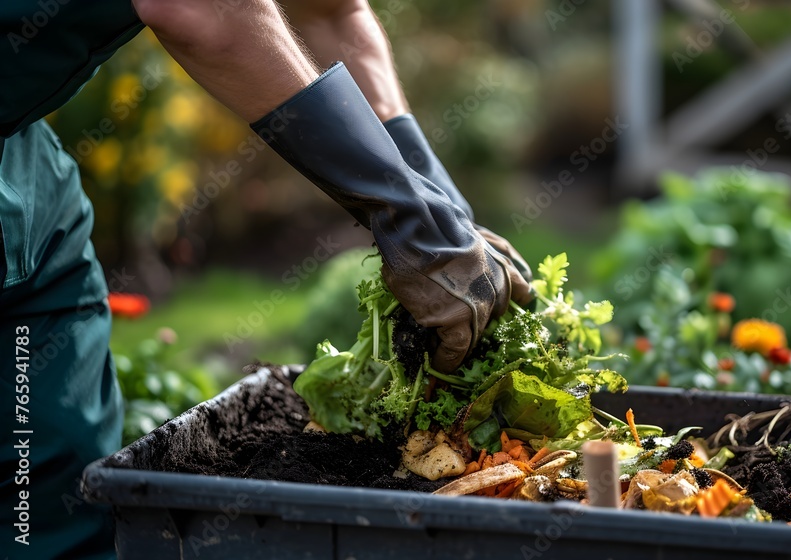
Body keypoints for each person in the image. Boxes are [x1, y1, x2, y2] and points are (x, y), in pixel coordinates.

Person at [0, 1, 532, 557]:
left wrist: (437, 203)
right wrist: (402, 210)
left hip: (30, 185)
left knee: (51, 495)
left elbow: (330, 11)